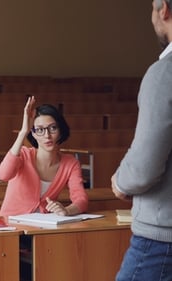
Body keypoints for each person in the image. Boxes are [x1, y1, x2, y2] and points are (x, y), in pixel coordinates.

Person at [111, 1, 172, 280]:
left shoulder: (164, 75)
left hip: (163, 238)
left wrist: (121, 180)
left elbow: (143, 167)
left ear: (164, 11)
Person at [0, 96, 88, 217]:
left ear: (60, 130)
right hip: (11, 225)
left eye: (53, 128)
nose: (47, 135)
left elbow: (81, 199)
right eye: (40, 130)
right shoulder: (23, 155)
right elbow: (3, 175)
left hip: (43, 227)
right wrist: (23, 132)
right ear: (33, 133)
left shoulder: (71, 163)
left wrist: (67, 210)